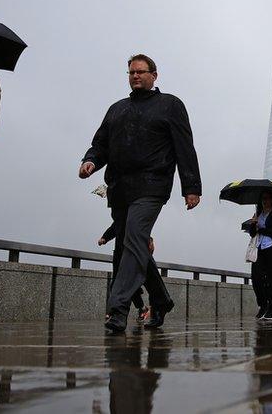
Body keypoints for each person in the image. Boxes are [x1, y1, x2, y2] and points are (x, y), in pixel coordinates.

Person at [80, 54, 201, 334]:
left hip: (152, 185)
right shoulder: (116, 109)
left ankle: (118, 309)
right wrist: (91, 161)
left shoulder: (170, 105)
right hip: (120, 189)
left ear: (154, 75)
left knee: (135, 238)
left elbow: (185, 146)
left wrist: (191, 187)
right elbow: (100, 144)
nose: (135, 76)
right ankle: (160, 299)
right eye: (131, 72)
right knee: (129, 245)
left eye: (141, 72)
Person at [98, 224, 174, 328]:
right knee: (118, 282)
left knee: (143, 272)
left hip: (136, 244)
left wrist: (148, 239)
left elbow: (138, 219)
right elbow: (118, 223)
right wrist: (105, 237)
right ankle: (118, 313)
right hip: (122, 248)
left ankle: (160, 303)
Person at [243, 191, 272, 321]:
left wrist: (260, 228)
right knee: (256, 278)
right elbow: (252, 233)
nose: (265, 201)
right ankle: (263, 305)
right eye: (263, 198)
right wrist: (253, 223)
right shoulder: (258, 213)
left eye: (267, 198)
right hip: (259, 249)